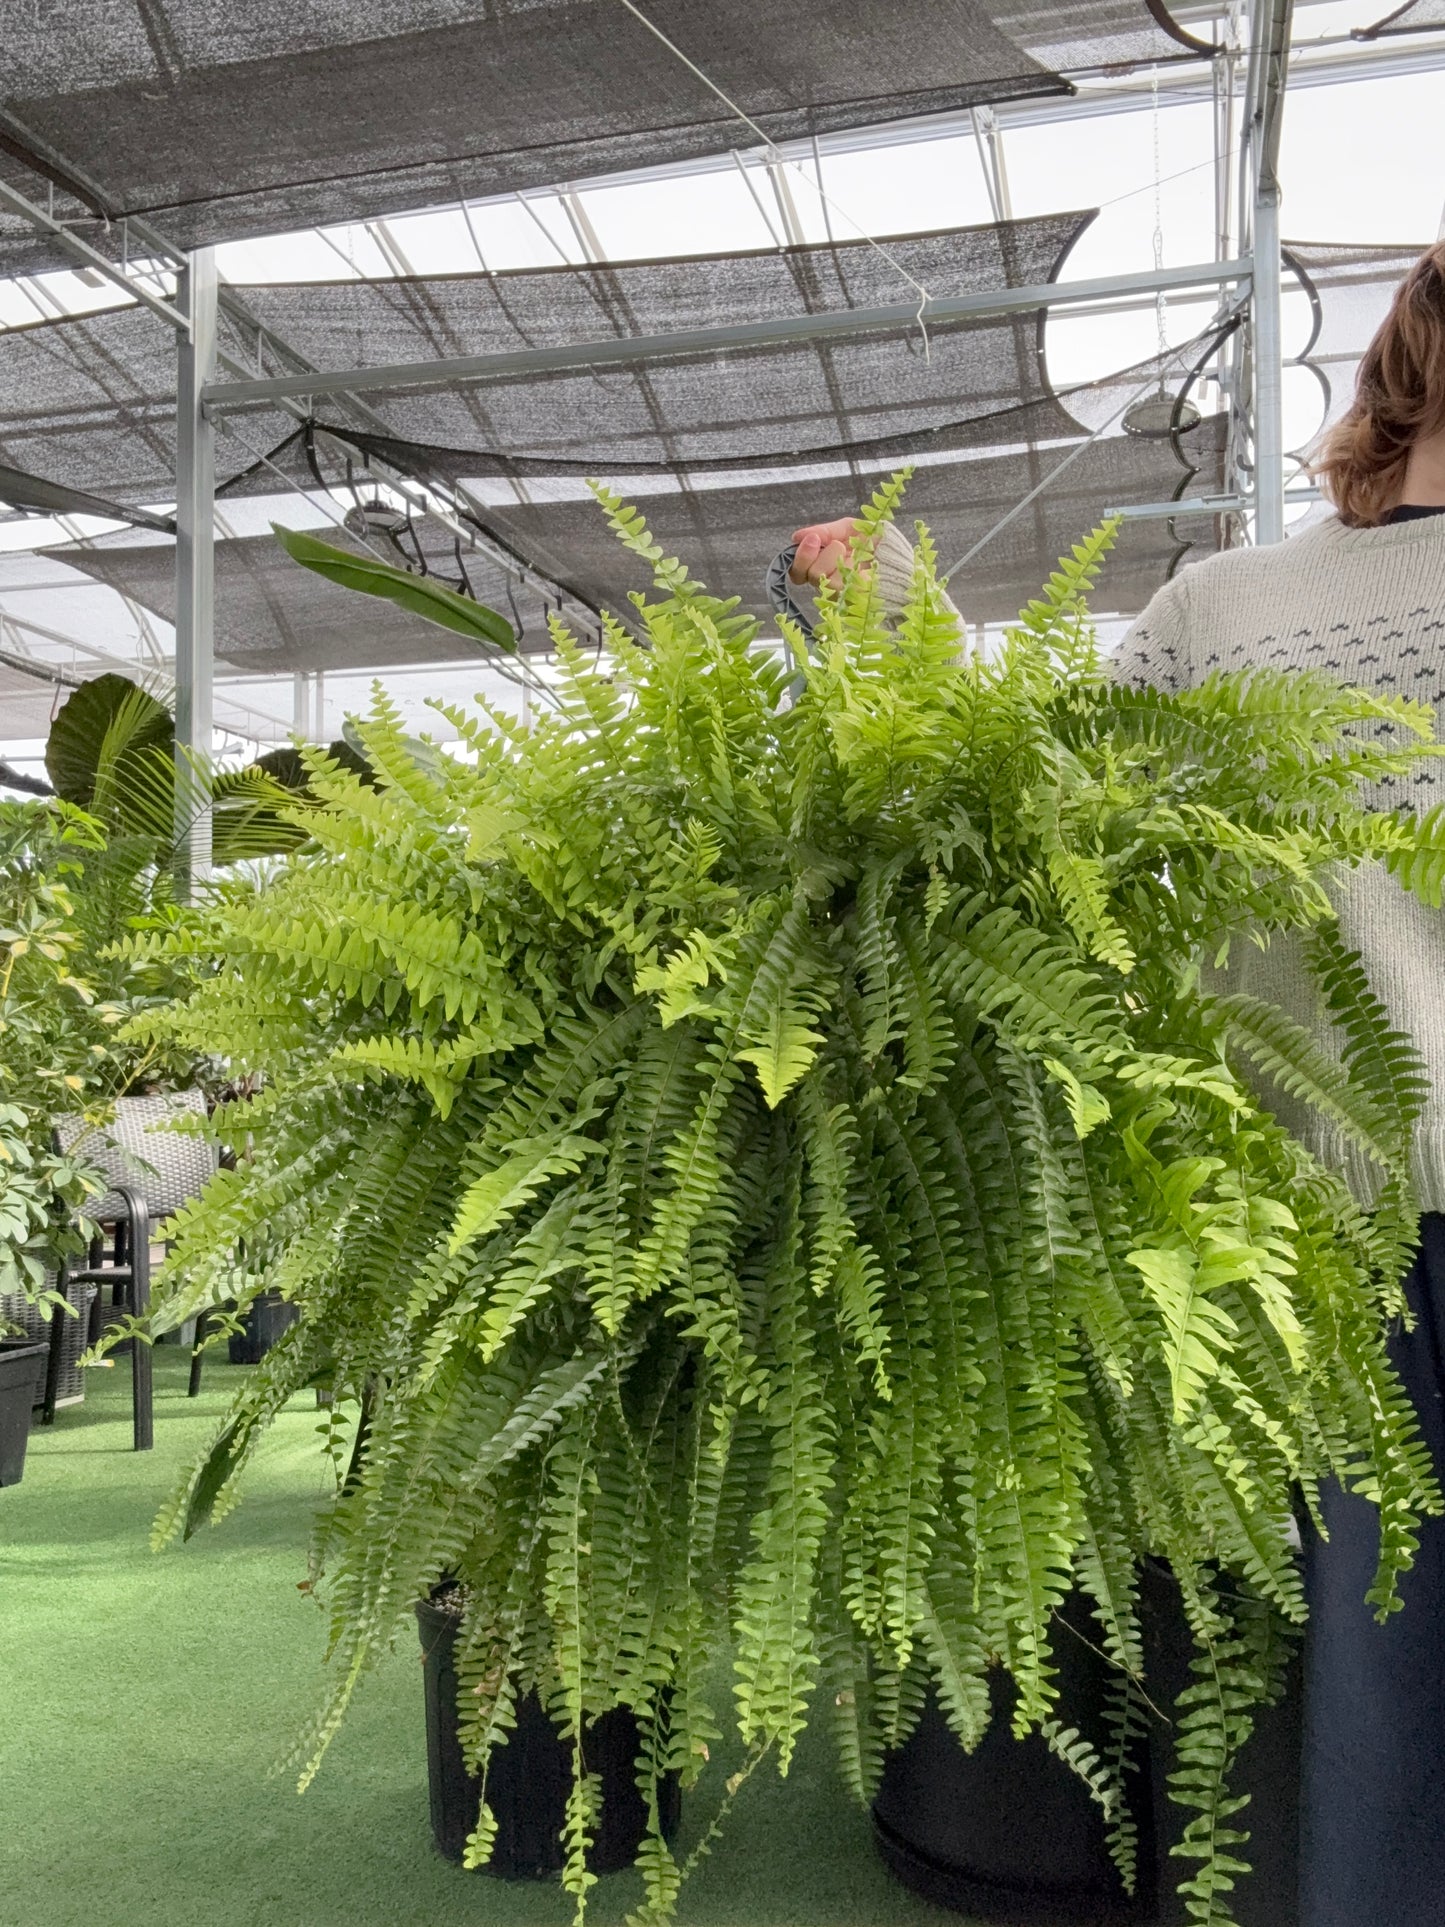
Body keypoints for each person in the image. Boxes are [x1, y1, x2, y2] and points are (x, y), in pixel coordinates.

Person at [789, 240, 1445, 1927]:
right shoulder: (1232, 607)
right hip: (1333, 1240)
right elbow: (1032, 804)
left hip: (1335, 1234)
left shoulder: (1241, 607)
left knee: (1373, 1692)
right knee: (1370, 1694)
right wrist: (893, 620)